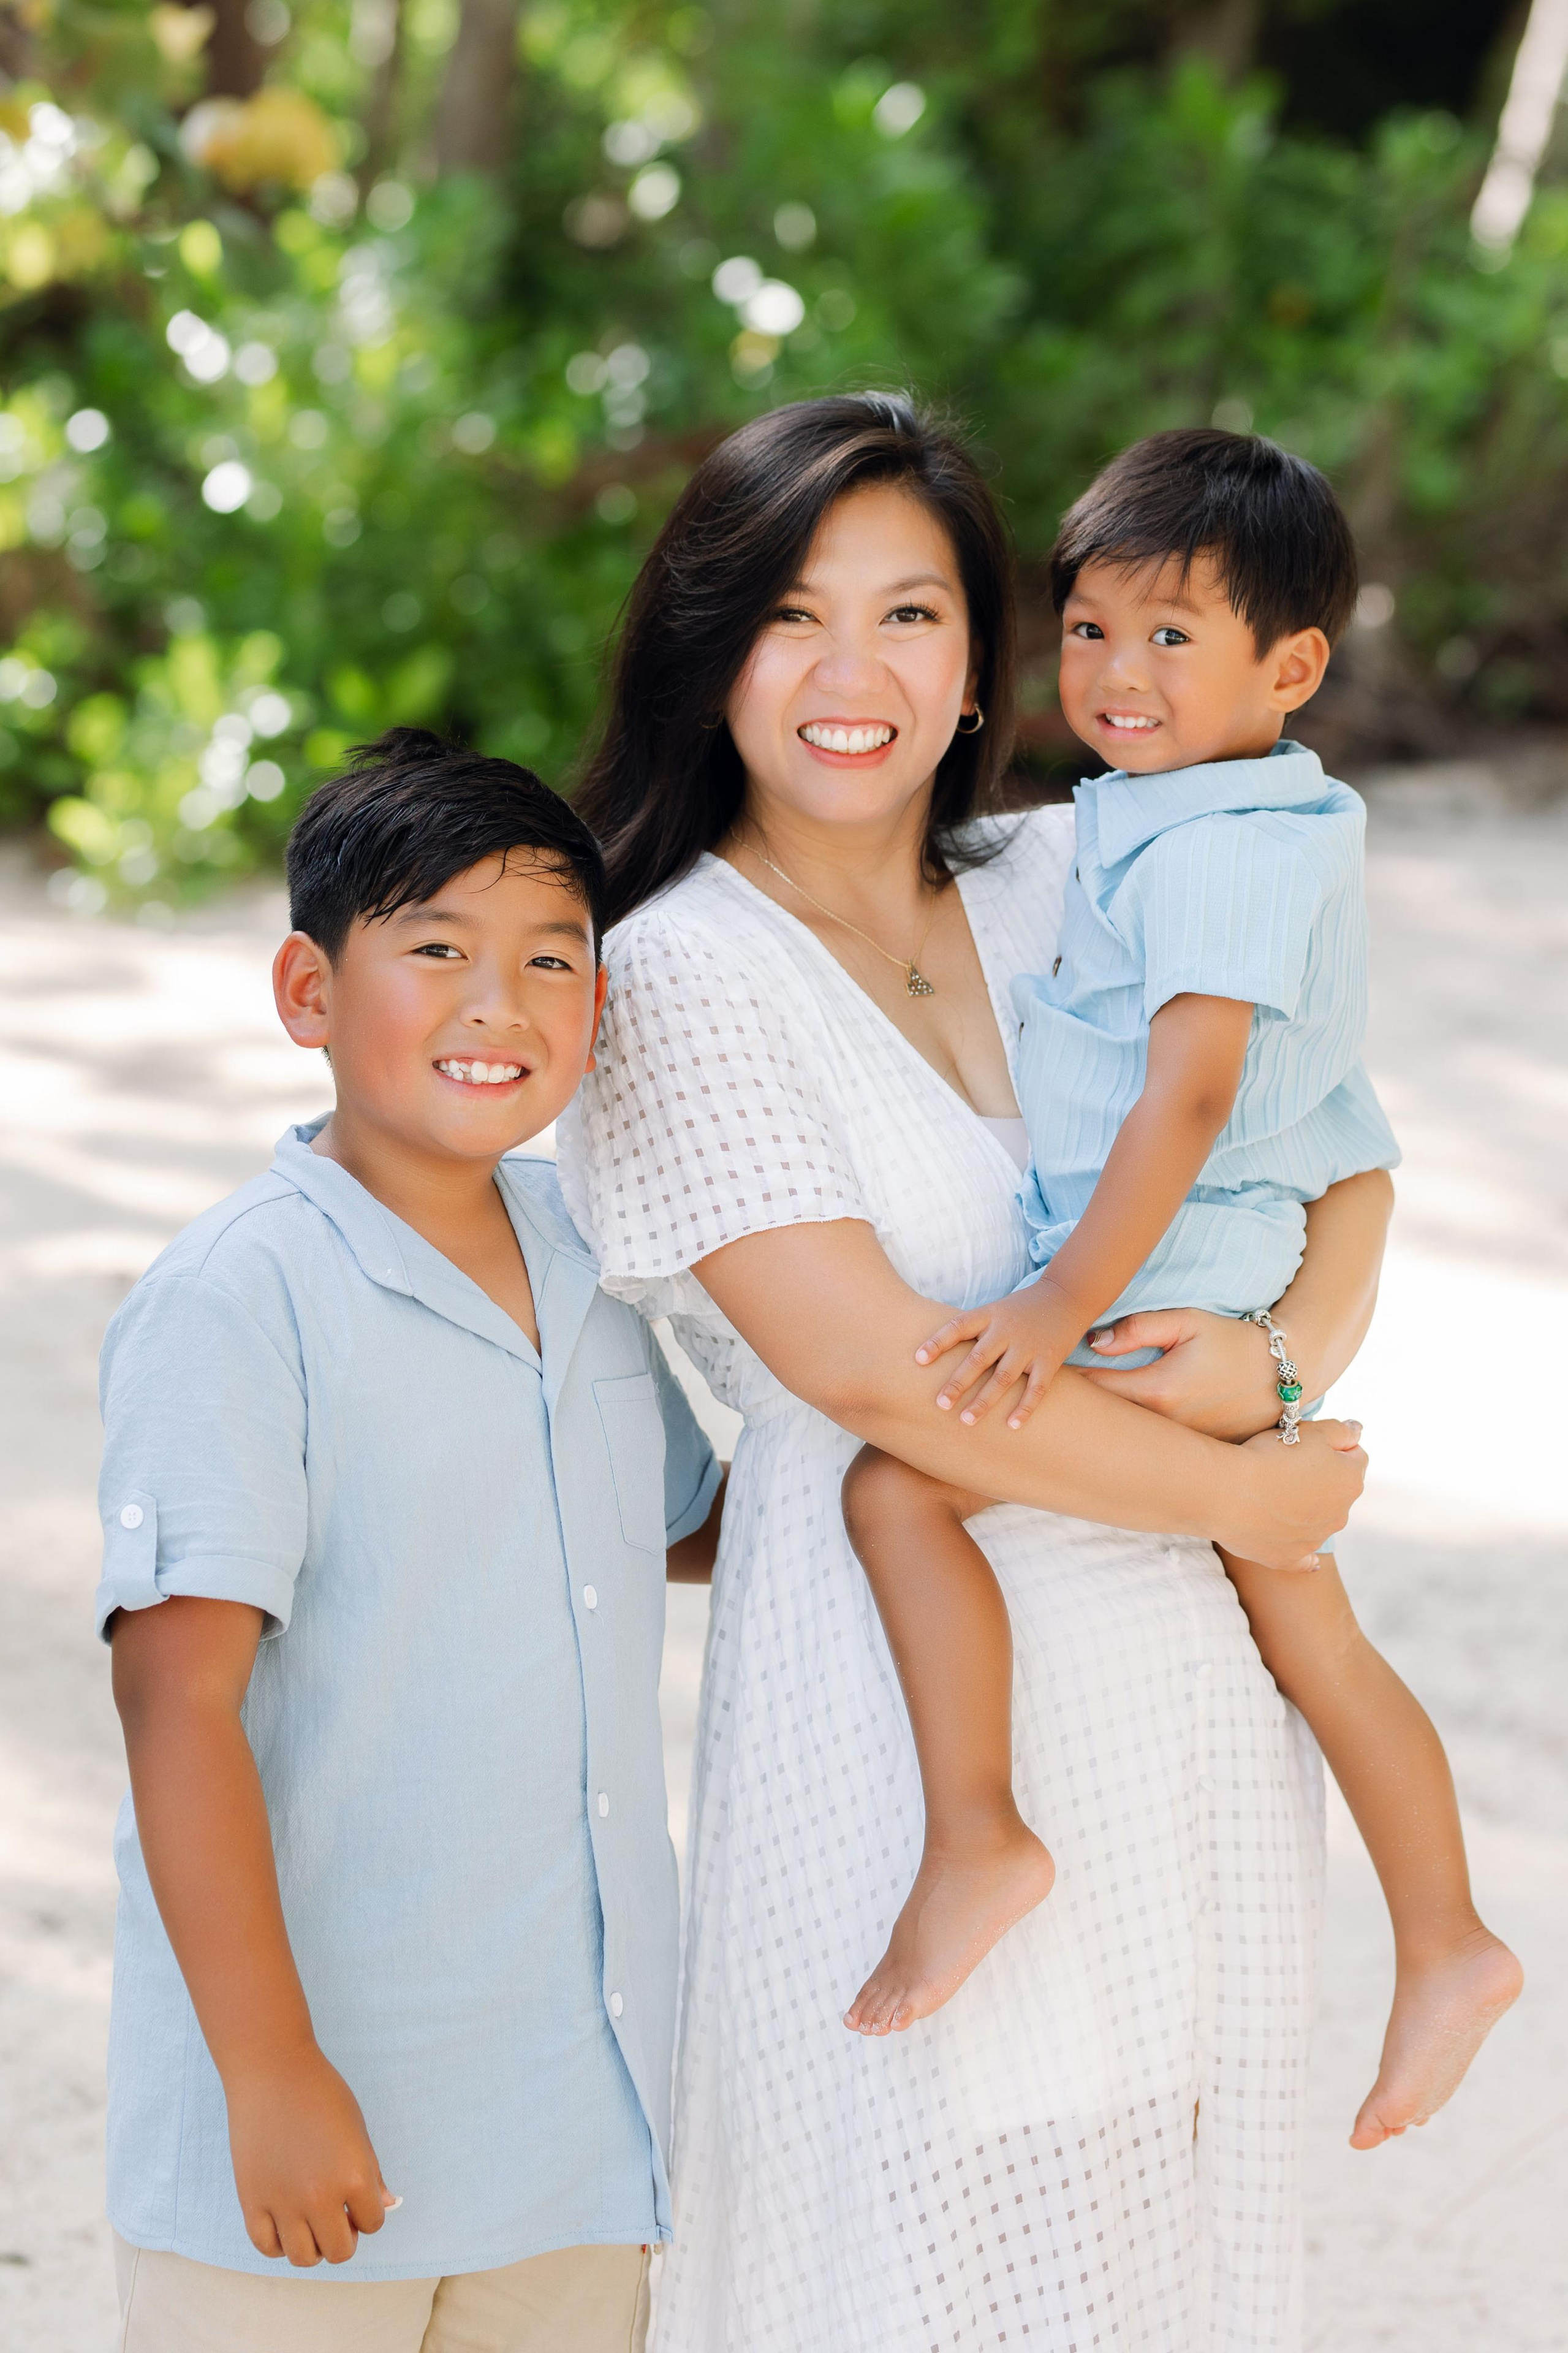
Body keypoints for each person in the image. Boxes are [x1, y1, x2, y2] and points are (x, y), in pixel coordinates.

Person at [561, 392, 1378, 2351]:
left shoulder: (1071, 873)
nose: (857, 676)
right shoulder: (672, 975)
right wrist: (1257, 1490)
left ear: (977, 656)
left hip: (1174, 1689)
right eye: (794, 614)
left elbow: (1330, 1158)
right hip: (900, 1727)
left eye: (912, 615)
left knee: (1154, 2259)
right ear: (710, 641)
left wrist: (1276, 1357)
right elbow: (888, 1383)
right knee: (921, 2259)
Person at [838, 430, 1522, 2155]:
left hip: (1173, 1287)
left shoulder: (1221, 840)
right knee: (1306, 1611)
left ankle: (979, 1829)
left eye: (1172, 637)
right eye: (1089, 630)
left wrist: (1062, 1303)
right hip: (1208, 1277)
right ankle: (1446, 1937)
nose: (1116, 674)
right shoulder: (1208, 811)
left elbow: (1192, 1095)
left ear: (1292, 669)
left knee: (899, 1485)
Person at [96, 731, 722, 2353]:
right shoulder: (242, 1297)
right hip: (312, 2137)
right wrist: (269, 2070)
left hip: (574, 2128)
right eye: (434, 950)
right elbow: (180, 1704)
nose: (497, 1004)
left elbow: (688, 1526)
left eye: (549, 961)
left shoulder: (592, 1266)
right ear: (310, 994)